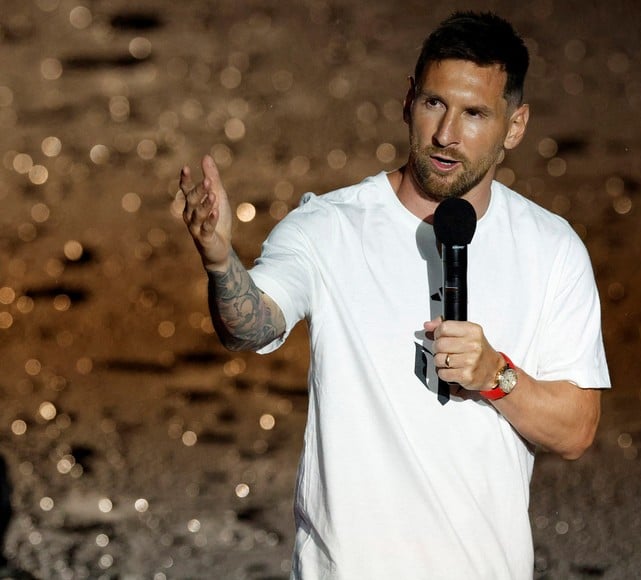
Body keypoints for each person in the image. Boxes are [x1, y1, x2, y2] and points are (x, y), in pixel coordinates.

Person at [180, 11, 610, 579]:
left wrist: (495, 376)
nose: (446, 134)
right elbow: (250, 325)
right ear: (408, 100)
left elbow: (577, 429)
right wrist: (218, 259)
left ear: (515, 125)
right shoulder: (328, 228)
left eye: (475, 113)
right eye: (435, 104)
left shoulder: (553, 249)